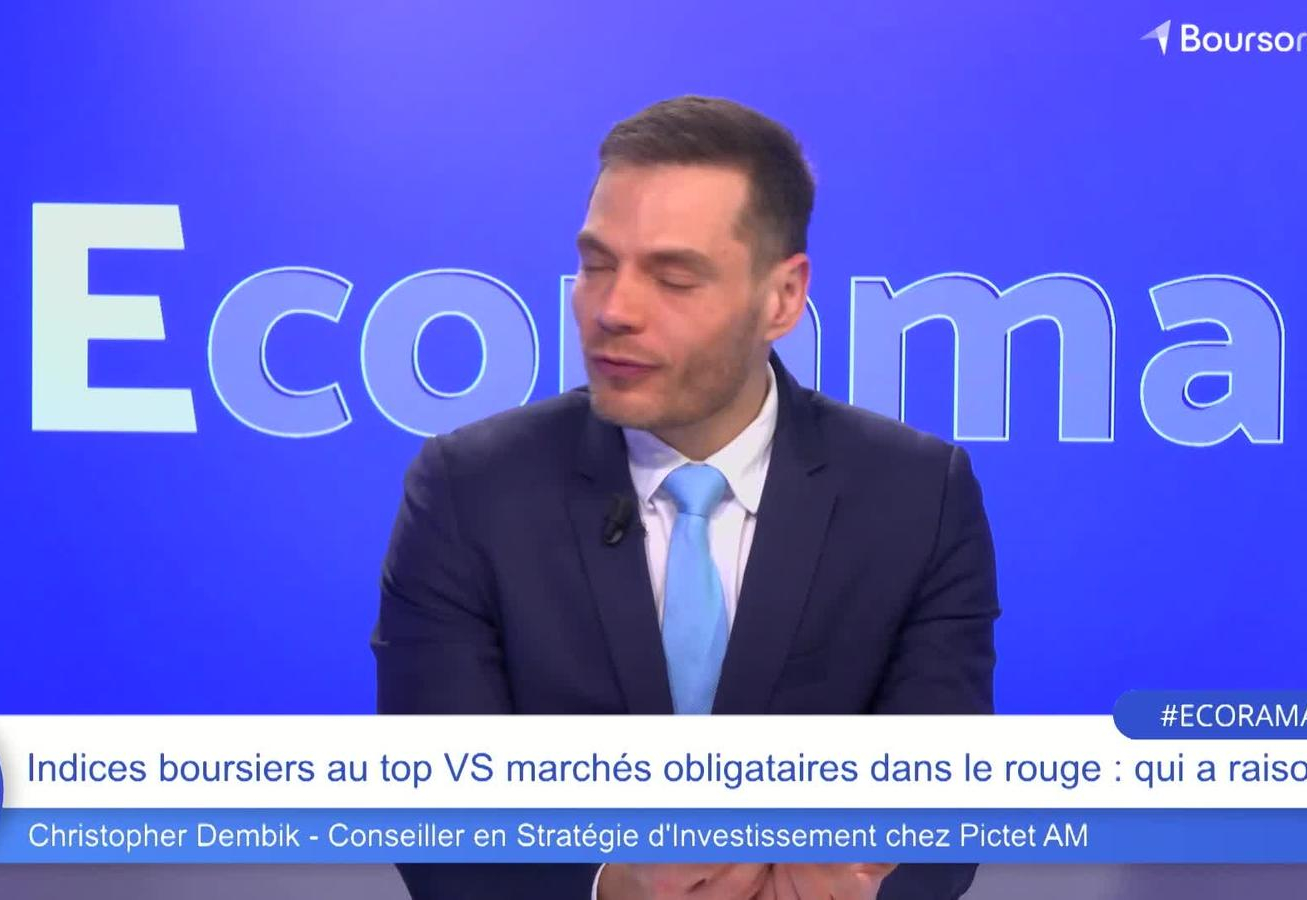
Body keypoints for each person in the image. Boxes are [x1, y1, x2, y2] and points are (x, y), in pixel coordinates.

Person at [373, 95, 1000, 899]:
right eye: (597, 264)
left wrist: (857, 878)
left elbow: (943, 825)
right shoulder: (471, 490)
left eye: (673, 278)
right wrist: (609, 885)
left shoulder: (917, 496)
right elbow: (434, 823)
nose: (614, 311)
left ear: (782, 298)